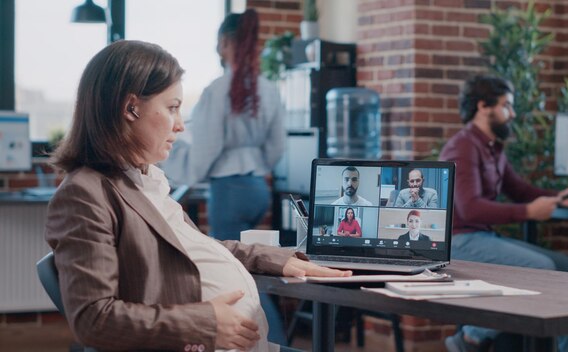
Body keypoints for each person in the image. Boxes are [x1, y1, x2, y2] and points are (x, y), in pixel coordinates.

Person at [44, 40, 350, 352]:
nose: (179, 126)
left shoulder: (146, 180)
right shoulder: (84, 195)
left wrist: (278, 260)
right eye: (172, 108)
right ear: (130, 108)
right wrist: (204, 323)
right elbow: (93, 321)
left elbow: (196, 247)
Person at [439, 74, 568, 352]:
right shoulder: (463, 146)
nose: (513, 113)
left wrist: (561, 197)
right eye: (507, 105)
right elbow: (469, 208)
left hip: (481, 236)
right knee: (542, 269)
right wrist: (529, 211)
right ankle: (470, 338)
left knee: (564, 266)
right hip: (459, 241)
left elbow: (518, 189)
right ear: (484, 106)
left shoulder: (492, 146)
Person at [162, 9, 285, 241]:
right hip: (259, 190)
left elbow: (208, 147)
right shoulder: (269, 88)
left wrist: (185, 169)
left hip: (229, 192)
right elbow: (277, 146)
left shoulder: (217, 91)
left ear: (225, 42)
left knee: (229, 263)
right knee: (250, 257)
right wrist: (257, 166)